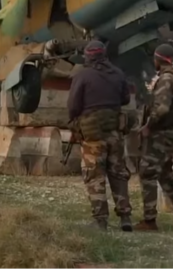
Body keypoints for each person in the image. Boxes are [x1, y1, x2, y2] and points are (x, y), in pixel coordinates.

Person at [67, 40, 133, 232]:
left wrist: (75, 121)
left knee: (94, 176)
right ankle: (125, 217)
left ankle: (100, 220)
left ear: (88, 56)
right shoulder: (118, 74)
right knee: (118, 174)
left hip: (92, 136)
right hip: (115, 133)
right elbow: (125, 98)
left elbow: (73, 106)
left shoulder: (82, 75)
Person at [135, 43, 173, 231]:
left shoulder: (166, 79)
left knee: (147, 172)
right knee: (165, 173)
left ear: (158, 59)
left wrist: (148, 126)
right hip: (168, 133)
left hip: (160, 133)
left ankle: (150, 220)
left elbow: (161, 108)